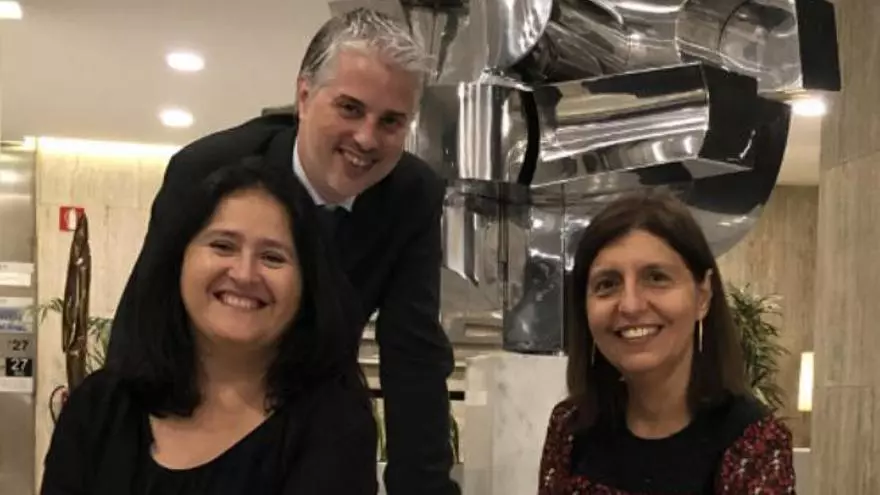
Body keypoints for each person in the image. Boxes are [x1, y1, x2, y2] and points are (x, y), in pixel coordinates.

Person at [105, 8, 458, 494]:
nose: (366, 138)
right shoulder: (206, 171)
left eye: (391, 121)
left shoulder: (413, 196)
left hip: (323, 431)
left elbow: (413, 355)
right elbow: (144, 321)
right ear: (304, 96)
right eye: (350, 108)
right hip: (194, 421)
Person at [42, 158, 377, 494]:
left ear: (307, 284)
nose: (244, 274)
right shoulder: (100, 407)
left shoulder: (335, 425)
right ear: (179, 261)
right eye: (223, 246)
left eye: (273, 257)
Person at [538, 191, 796, 494]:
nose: (630, 305)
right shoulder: (570, 428)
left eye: (656, 278)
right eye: (607, 284)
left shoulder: (754, 443)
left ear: (702, 296)